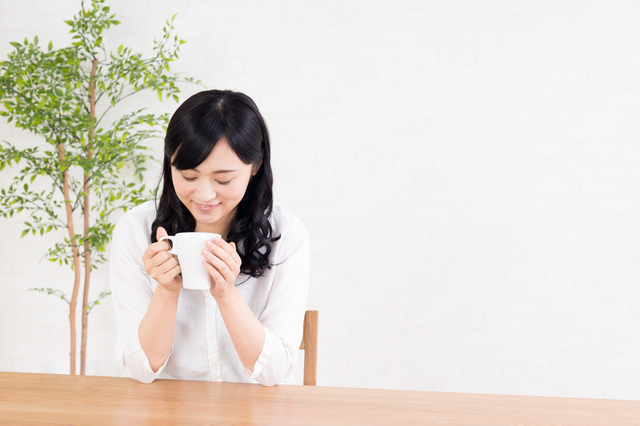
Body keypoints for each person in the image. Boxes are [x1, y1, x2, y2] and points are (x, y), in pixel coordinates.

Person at [109, 90, 310, 385]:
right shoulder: (136, 230)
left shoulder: (286, 236)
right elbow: (141, 370)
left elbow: (274, 372)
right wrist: (165, 292)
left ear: (255, 166)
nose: (204, 195)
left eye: (223, 180)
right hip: (167, 411)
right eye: (188, 176)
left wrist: (227, 294)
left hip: (255, 412)